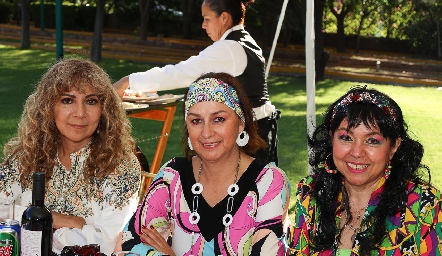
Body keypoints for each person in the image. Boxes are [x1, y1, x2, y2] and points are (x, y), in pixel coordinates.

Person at [116, 72, 291, 255]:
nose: (206, 133)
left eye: (218, 119)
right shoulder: (172, 177)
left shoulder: (268, 182)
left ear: (241, 123)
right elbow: (128, 243)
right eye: (196, 121)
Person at [0, 58, 141, 255]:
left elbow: (108, 242)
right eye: (68, 100)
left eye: (91, 101)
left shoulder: (119, 164)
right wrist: (57, 219)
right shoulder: (27, 155)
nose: (80, 113)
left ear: (104, 110)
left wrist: (34, 226)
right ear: (48, 107)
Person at [113, 0, 280, 165]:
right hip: (260, 129)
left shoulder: (229, 48)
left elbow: (179, 73)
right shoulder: (244, 41)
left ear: (223, 18)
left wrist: (128, 81)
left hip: (252, 135)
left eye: (207, 19)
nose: (203, 25)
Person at [290, 86, 442, 255]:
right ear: (331, 138)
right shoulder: (311, 193)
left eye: (372, 141)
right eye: (346, 138)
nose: (356, 152)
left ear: (394, 147)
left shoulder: (423, 203)